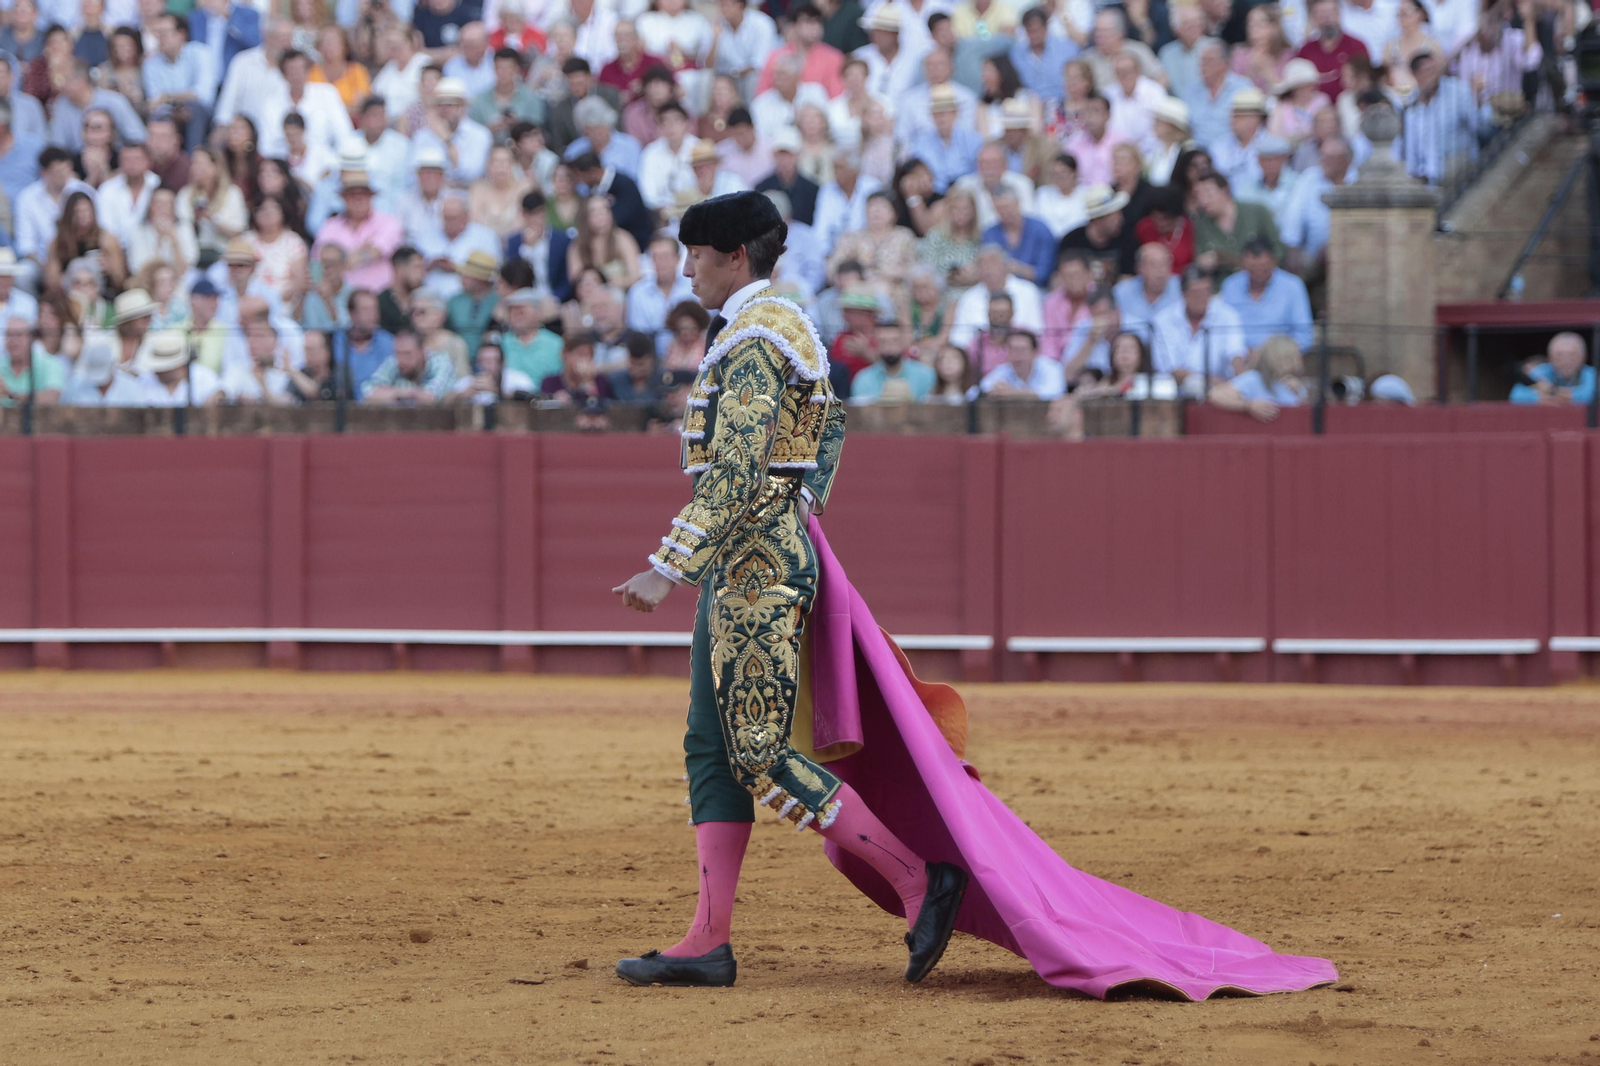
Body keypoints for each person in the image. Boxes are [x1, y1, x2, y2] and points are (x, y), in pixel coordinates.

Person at [1151, 265, 1248, 394]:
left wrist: (1240, 382)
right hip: (1176, 391)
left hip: (1222, 388)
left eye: (1206, 291)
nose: (1203, 297)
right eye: (1196, 292)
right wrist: (1206, 381)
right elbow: (1169, 368)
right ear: (1184, 294)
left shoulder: (1228, 315)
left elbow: (1236, 354)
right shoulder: (1163, 320)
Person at [1218, 236, 1314, 353]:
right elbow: (1219, 329)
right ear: (1243, 264)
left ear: (1274, 262)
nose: (1258, 273)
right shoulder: (1230, 285)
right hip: (1238, 358)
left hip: (1278, 359)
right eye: (1253, 269)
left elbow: (1304, 335)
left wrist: (1271, 354)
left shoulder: (1293, 286)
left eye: (1263, 268)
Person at [1192, 173, 1283, 278]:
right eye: (1198, 195)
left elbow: (1279, 251)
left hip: (1262, 283)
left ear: (1225, 191)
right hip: (1222, 287)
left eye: (1208, 193)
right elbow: (1199, 261)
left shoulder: (1257, 212)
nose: (1203, 200)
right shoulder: (1201, 225)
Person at [1208, 334, 1309, 420]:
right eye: (1293, 357)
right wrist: (1248, 405)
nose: (1297, 362)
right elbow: (1215, 395)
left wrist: (1299, 393)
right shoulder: (1254, 379)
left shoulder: (1294, 385)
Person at [1291, 0, 1369, 100]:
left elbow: (1366, 82)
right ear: (1312, 18)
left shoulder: (1357, 47)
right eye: (1321, 14)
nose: (1327, 18)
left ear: (1339, 14)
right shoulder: (1305, 51)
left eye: (1331, 13)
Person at [361, 326, 456, 404]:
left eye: (408, 354)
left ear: (422, 351)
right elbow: (368, 393)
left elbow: (429, 397)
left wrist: (390, 393)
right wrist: (407, 393)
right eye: (398, 353)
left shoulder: (441, 362)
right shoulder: (394, 361)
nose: (402, 360)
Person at [1113, 241, 1180, 342]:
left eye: (1165, 264)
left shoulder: (1182, 289)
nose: (1161, 271)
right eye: (1154, 265)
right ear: (1140, 268)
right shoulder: (1121, 293)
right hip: (1135, 353)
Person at [137, 328, 222, 406]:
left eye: (165, 368)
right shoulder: (143, 381)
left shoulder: (206, 379)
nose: (158, 372)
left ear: (180, 365)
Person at [978, 327, 1067, 399]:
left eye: (1023, 350)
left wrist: (1014, 393)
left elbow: (1054, 393)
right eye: (1013, 350)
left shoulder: (1052, 368)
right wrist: (992, 391)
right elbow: (978, 391)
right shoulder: (1003, 370)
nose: (1017, 355)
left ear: (1035, 352)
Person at [1510, 332, 1596, 406]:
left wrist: (1551, 390)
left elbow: (1587, 396)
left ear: (1584, 358)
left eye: (1572, 356)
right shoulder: (1542, 370)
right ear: (1550, 358)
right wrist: (1563, 397)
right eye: (1559, 356)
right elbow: (1516, 395)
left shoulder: (1591, 373)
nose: (1565, 361)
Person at [0, 315, 63, 406]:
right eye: (9, 335)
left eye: (18, 335)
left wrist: (11, 395)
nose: (13, 340)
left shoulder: (50, 363)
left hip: (40, 420)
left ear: (31, 338)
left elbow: (51, 397)